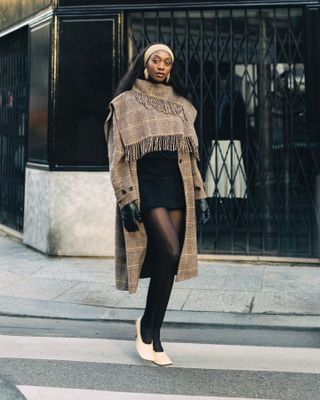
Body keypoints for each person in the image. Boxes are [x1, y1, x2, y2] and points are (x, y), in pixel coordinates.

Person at [104, 43, 210, 366]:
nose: (162, 66)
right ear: (145, 64)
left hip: (176, 186)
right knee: (168, 249)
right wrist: (126, 198)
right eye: (156, 60)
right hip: (146, 186)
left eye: (167, 62)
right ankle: (149, 331)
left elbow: (191, 158)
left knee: (170, 261)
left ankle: (151, 329)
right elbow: (117, 157)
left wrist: (200, 194)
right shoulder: (124, 104)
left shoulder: (181, 106)